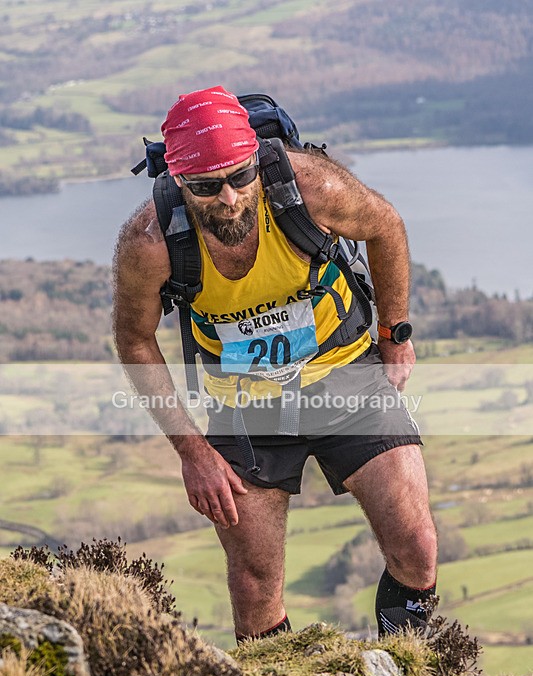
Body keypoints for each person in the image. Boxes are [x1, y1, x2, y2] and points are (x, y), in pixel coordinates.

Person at [113, 86, 438, 642]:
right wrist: (193, 452)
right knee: (255, 587)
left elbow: (386, 226)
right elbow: (135, 341)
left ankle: (408, 674)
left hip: (346, 373)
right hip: (244, 405)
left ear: (258, 161)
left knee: (417, 547)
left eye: (242, 176)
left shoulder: (311, 187)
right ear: (177, 181)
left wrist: (395, 334)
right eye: (207, 187)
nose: (231, 198)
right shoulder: (150, 243)